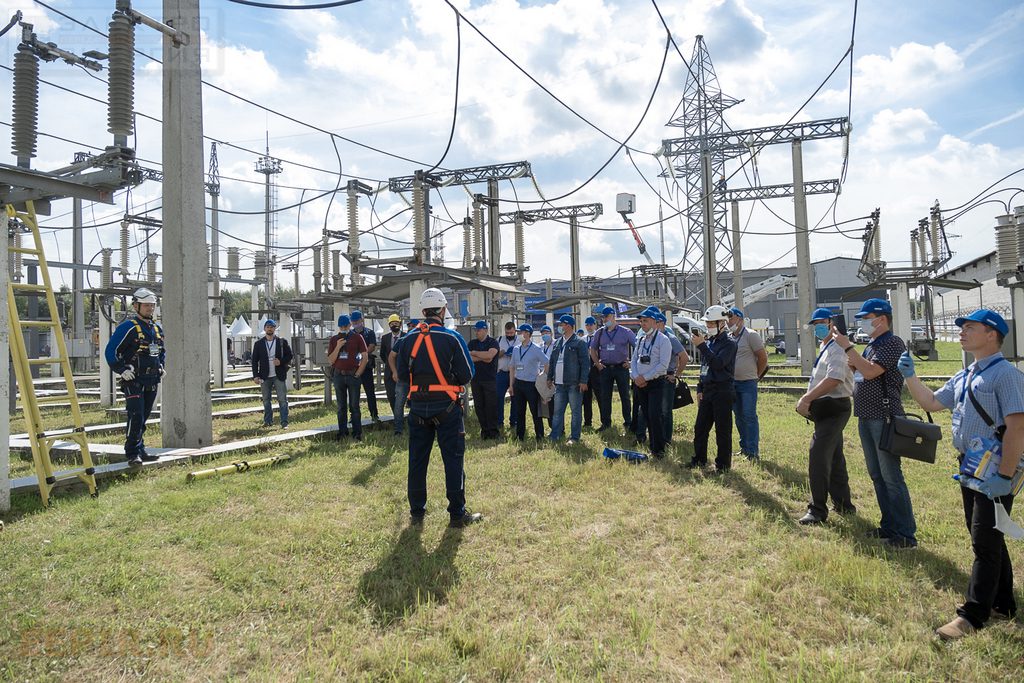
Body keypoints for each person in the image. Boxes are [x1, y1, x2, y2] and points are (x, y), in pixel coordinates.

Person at [898, 309, 1023, 639]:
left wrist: (1006, 476)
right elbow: (932, 402)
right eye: (962, 328)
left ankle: (973, 615)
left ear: (992, 334)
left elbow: (1017, 428)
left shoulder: (1006, 375)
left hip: (995, 471)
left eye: (970, 328)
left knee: (984, 542)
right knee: (987, 535)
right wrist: (910, 376)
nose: (963, 333)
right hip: (970, 466)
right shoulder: (966, 374)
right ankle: (1004, 603)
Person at [834, 298, 917, 548]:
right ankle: (889, 526)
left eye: (866, 318)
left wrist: (849, 349)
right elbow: (861, 371)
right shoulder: (872, 344)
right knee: (877, 474)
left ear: (881, 319)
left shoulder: (892, 342)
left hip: (884, 416)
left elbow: (871, 372)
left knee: (891, 476)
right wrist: (853, 359)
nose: (863, 323)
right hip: (868, 416)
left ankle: (905, 534)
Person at [395, 288, 481, 527]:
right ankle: (456, 514)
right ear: (443, 310)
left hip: (418, 409)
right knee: (453, 461)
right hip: (447, 409)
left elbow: (402, 376)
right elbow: (467, 375)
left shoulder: (408, 340)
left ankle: (417, 512)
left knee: (417, 461)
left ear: (423, 311)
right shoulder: (452, 338)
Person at [794, 308, 856, 525]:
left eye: (822, 322)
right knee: (835, 458)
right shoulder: (827, 346)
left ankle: (817, 510)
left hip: (834, 408)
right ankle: (844, 504)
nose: (819, 327)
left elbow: (834, 379)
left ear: (832, 323)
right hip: (826, 409)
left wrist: (806, 398)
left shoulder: (838, 347)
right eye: (815, 324)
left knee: (818, 455)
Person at [104, 287, 165, 465]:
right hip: (134, 380)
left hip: (152, 380)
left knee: (144, 416)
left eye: (152, 305)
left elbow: (161, 351)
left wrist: (161, 366)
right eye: (146, 305)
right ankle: (132, 453)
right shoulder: (128, 327)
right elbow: (111, 350)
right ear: (136, 306)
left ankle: (140, 448)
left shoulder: (156, 328)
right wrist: (121, 369)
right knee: (136, 415)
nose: (150, 308)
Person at [689, 305, 737, 472]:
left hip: (723, 391)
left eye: (711, 323)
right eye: (707, 323)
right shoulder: (710, 342)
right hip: (708, 390)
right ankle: (699, 459)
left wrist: (702, 346)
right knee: (700, 428)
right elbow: (705, 367)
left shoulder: (729, 344)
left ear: (722, 323)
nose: (708, 326)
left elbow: (717, 364)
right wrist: (700, 388)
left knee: (722, 431)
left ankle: (723, 466)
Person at [630, 309, 673, 458]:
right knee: (647, 416)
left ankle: (659, 449)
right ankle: (652, 445)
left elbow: (663, 366)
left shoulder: (663, 340)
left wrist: (645, 378)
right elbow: (634, 360)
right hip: (640, 384)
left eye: (646, 321)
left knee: (655, 415)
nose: (643, 324)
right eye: (641, 321)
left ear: (655, 322)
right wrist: (636, 377)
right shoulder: (641, 340)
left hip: (655, 383)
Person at [728, 307, 768, 461]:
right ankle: (744, 447)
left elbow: (762, 358)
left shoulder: (751, 335)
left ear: (740, 319)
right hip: (733, 383)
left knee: (749, 415)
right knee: (738, 416)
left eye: (732, 318)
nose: (729, 321)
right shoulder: (729, 336)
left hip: (747, 383)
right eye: (727, 319)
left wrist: (755, 376)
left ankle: (752, 451)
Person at [590, 306, 637, 433]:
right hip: (605, 368)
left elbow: (638, 347)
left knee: (625, 396)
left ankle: (628, 422)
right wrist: (597, 364)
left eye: (606, 317)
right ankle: (606, 423)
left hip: (621, 367)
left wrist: (631, 362)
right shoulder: (600, 332)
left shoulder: (625, 332)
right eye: (603, 317)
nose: (604, 320)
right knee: (605, 396)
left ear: (613, 316)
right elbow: (592, 349)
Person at [547, 314, 590, 445]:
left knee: (575, 411)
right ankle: (555, 434)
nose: (560, 327)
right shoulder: (558, 342)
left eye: (562, 324)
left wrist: (583, 381)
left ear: (569, 326)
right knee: (557, 411)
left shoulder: (579, 342)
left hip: (574, 383)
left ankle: (574, 437)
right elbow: (552, 361)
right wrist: (549, 377)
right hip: (559, 384)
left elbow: (585, 363)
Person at [327, 314, 369, 441]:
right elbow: (330, 360)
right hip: (339, 375)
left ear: (350, 325)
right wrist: (338, 347)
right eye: (341, 326)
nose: (343, 328)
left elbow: (365, 356)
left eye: (346, 326)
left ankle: (357, 433)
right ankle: (342, 432)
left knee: (354, 406)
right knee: (341, 407)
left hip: (353, 375)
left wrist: (358, 373)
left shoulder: (357, 337)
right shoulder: (334, 340)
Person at [509, 323, 547, 441]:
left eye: (523, 332)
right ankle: (520, 435)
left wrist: (542, 375)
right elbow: (512, 367)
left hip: (531, 384)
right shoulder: (516, 349)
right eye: (520, 332)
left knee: (535, 412)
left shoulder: (536, 348)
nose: (520, 334)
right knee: (520, 412)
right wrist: (511, 385)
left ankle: (539, 435)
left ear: (528, 334)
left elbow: (547, 362)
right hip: (519, 383)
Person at [251, 319, 293, 428]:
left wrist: (281, 361)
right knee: (266, 400)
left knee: (282, 399)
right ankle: (268, 421)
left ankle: (284, 423)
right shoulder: (258, 344)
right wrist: (255, 375)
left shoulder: (281, 342)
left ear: (275, 328)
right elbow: (254, 361)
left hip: (278, 375)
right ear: (264, 329)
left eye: (272, 327)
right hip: (264, 376)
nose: (270, 328)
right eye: (268, 327)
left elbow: (290, 355)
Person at [656, 312, 689, 445]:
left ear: (663, 324)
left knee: (665, 410)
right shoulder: (653, 338)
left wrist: (676, 375)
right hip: (655, 378)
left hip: (666, 378)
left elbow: (684, 357)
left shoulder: (670, 338)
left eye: (657, 322)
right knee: (656, 410)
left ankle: (666, 439)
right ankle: (658, 436)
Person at [468, 320, 500, 439]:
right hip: (476, 379)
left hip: (489, 379)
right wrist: (483, 357)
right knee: (479, 406)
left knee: (491, 406)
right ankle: (484, 430)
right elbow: (469, 358)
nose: (477, 332)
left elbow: (490, 356)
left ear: (486, 330)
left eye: (479, 330)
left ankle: (493, 431)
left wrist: (476, 353)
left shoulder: (493, 342)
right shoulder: (472, 343)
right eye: (476, 330)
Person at [388, 319, 419, 436]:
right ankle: (398, 429)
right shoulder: (402, 340)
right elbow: (391, 356)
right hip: (403, 379)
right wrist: (394, 372)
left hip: (417, 379)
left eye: (413, 326)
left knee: (415, 405)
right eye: (409, 326)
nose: (411, 328)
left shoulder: (422, 341)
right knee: (399, 405)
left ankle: (415, 428)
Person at [350, 310, 379, 422]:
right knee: (353, 394)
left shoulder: (369, 333)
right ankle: (353, 417)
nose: (355, 323)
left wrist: (362, 354)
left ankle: (374, 414)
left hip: (366, 367)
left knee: (370, 392)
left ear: (362, 320)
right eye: (353, 321)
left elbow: (372, 346)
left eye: (357, 321)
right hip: (354, 368)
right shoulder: (351, 334)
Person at [380, 314, 405, 422]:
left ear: (400, 324)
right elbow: (382, 354)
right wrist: (390, 365)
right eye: (392, 324)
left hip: (403, 372)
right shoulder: (385, 338)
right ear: (389, 325)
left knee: (402, 397)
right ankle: (397, 416)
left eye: (396, 323)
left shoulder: (406, 336)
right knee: (391, 395)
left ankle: (400, 419)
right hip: (389, 372)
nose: (394, 325)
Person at [496, 321, 518, 432]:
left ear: (515, 331)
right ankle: (499, 421)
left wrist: (514, 354)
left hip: (515, 374)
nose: (509, 335)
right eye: (507, 333)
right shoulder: (499, 340)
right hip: (502, 373)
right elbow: (494, 355)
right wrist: (502, 353)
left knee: (515, 399)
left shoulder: (520, 341)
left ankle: (514, 421)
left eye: (511, 332)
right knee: (499, 398)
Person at [581, 316, 600, 428]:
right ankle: (587, 422)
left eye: (591, 324)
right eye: (587, 325)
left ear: (595, 325)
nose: (589, 327)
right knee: (586, 398)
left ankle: (605, 420)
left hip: (596, 369)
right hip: (586, 370)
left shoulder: (599, 337)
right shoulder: (583, 339)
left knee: (600, 396)